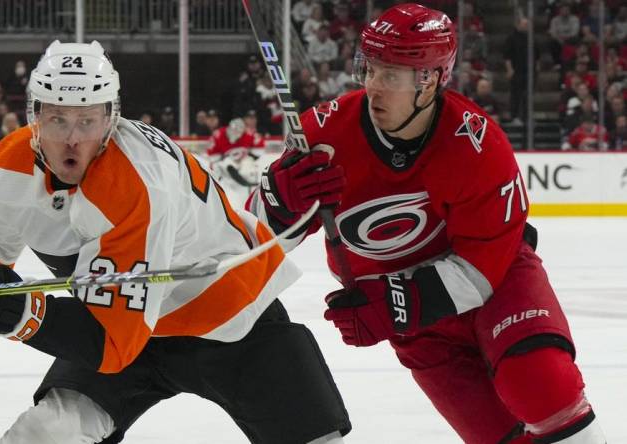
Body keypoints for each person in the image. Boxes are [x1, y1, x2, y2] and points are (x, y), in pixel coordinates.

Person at [0, 40, 350, 444]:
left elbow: (111, 346)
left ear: (110, 118)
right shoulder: (12, 161)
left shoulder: (136, 186)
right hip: (125, 322)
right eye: (57, 119)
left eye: (87, 120)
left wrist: (14, 314)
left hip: (232, 320)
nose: (71, 138)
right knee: (44, 436)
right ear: (33, 116)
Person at [246, 4, 606, 443]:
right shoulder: (323, 135)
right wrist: (276, 204)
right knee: (499, 437)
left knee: (541, 385)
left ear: (429, 80)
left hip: (496, 288)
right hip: (415, 324)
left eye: (391, 76)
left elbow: (483, 267)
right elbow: (252, 245)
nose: (374, 87)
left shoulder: (477, 144)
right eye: (370, 69)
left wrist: (396, 302)